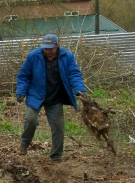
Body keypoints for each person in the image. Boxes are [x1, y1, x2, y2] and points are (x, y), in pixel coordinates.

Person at [16, 34, 87, 163]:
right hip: (36, 94)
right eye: (45, 48)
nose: (48, 51)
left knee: (58, 127)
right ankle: (24, 144)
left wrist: (79, 89)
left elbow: (74, 74)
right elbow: (24, 76)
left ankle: (56, 157)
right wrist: (21, 91)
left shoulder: (67, 56)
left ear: (56, 45)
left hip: (55, 96)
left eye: (50, 48)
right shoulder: (33, 56)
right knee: (30, 120)